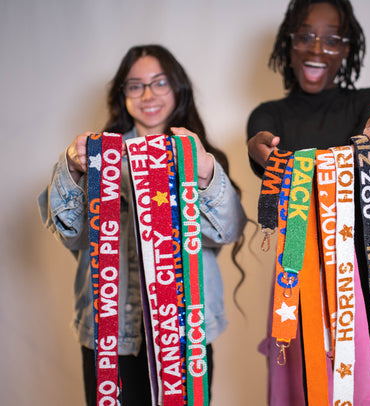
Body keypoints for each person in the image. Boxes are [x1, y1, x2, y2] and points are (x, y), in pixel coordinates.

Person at [39, 44, 247, 405]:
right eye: (135, 85)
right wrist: (71, 168)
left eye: (160, 82)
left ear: (177, 88)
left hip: (184, 334)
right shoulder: (99, 159)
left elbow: (228, 231)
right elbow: (70, 235)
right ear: (122, 95)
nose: (148, 94)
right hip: (110, 333)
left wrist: (204, 170)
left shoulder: (200, 156)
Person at [246, 1, 370, 405]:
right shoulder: (270, 114)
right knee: (300, 381)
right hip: (301, 249)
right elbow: (260, 146)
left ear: (348, 49)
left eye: (332, 39)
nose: (316, 49)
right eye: (305, 36)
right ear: (289, 44)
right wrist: (260, 152)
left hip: (369, 250)